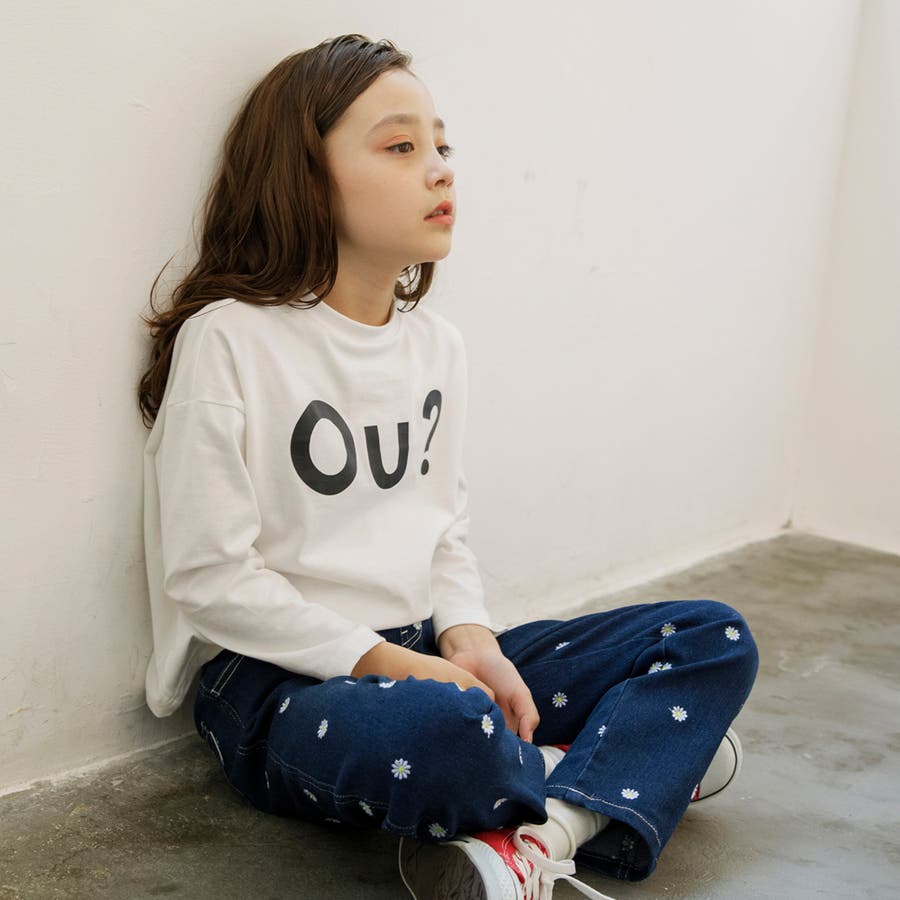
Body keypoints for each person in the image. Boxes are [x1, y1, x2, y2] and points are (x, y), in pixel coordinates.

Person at [137, 34, 759, 900]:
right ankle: (628, 770)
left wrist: (469, 638)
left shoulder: (436, 346)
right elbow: (208, 578)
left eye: (441, 145)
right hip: (279, 683)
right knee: (453, 727)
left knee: (711, 637)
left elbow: (441, 528)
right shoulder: (233, 340)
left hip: (426, 652)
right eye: (400, 147)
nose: (440, 170)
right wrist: (401, 669)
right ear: (305, 177)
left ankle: (552, 827)